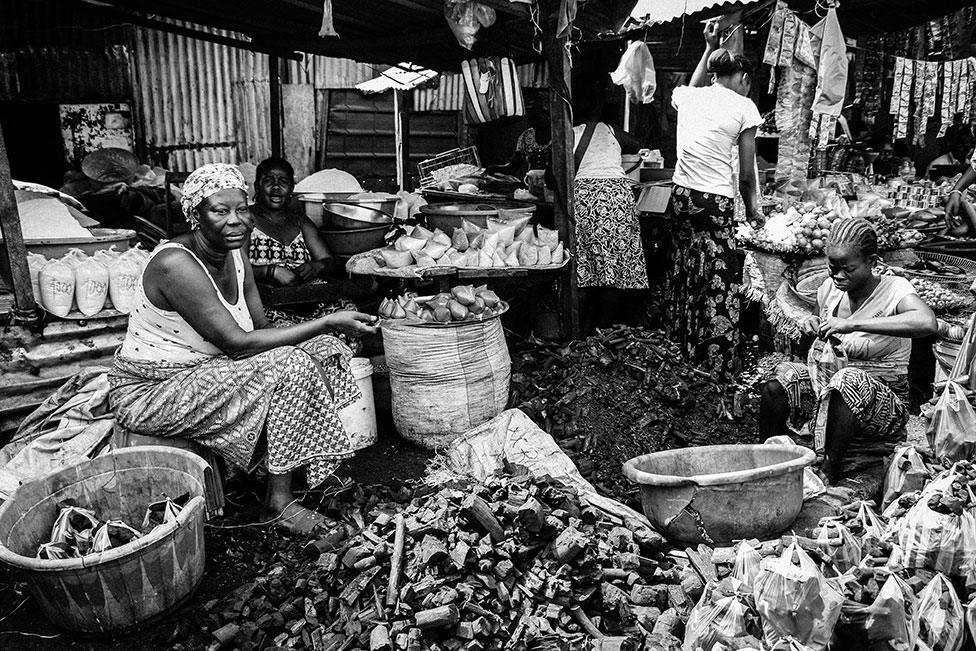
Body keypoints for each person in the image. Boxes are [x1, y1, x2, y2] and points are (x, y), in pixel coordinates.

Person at [108, 163, 379, 535]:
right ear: (195, 217)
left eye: (241, 209)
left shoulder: (236, 255)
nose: (236, 220)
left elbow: (261, 328)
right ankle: (279, 502)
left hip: (207, 371)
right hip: (154, 390)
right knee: (291, 364)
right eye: (220, 211)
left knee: (325, 350)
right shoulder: (175, 264)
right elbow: (238, 344)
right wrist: (324, 321)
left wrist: (322, 334)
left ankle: (282, 466)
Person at [759, 219, 937, 484]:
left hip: (882, 407)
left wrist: (852, 323)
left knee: (847, 380)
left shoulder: (894, 289)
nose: (838, 276)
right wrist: (813, 324)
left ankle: (828, 471)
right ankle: (766, 462)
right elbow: (821, 331)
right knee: (780, 380)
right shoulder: (829, 289)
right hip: (828, 393)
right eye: (833, 268)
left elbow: (926, 322)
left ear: (872, 262)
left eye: (848, 269)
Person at [665, 22, 762, 381]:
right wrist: (753, 211)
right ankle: (717, 367)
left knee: (687, 271)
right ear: (744, 78)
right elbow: (748, 175)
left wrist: (707, 47)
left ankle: (681, 351)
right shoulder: (745, 107)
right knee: (720, 278)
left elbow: (692, 85)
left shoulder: (689, 96)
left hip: (680, 198)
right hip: (714, 201)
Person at [247, 157, 363, 347]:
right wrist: (271, 271)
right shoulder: (247, 220)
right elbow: (233, 268)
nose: (276, 188)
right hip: (267, 305)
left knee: (349, 315)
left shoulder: (300, 221)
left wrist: (316, 266)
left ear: (291, 188)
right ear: (257, 186)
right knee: (287, 343)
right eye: (269, 181)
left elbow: (329, 261)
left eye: (283, 182)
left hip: (309, 303)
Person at [572, 96, 649, 332]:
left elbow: (552, 173)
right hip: (617, 196)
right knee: (614, 266)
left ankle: (581, 333)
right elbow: (636, 144)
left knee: (585, 267)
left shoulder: (569, 132)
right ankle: (604, 330)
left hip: (586, 198)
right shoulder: (610, 130)